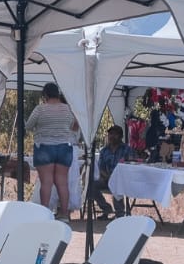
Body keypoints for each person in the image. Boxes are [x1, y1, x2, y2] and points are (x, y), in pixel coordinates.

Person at [25, 82, 80, 220]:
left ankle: (44, 214)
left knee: (46, 182)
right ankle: (64, 215)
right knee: (62, 182)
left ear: (45, 95)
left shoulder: (40, 109)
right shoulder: (68, 109)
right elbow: (74, 126)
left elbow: (28, 126)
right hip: (64, 147)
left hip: (44, 147)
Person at [90, 126, 139, 219]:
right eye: (110, 134)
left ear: (120, 136)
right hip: (107, 178)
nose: (112, 136)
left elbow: (132, 165)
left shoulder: (127, 149)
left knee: (117, 184)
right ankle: (106, 208)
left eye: (115, 134)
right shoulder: (104, 151)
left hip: (123, 180)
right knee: (91, 185)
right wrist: (107, 177)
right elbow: (100, 168)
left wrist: (117, 178)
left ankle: (119, 214)